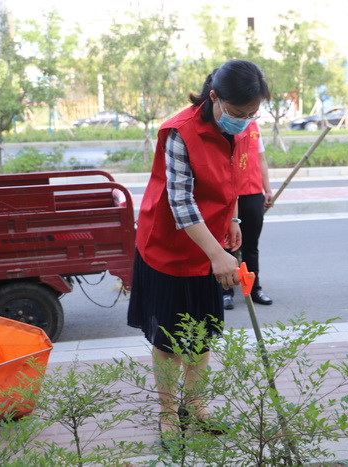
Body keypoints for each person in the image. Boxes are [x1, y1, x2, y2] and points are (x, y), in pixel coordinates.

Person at [127, 59, 270, 441]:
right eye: (240, 113)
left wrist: (234, 221)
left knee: (202, 335)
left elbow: (234, 177)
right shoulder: (180, 132)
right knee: (169, 341)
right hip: (169, 249)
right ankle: (168, 413)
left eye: (254, 113)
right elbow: (182, 204)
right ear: (214, 98)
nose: (246, 120)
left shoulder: (241, 127)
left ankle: (197, 406)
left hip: (211, 244)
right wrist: (218, 253)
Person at [222, 124, 274, 309]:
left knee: (251, 245)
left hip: (252, 193)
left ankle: (254, 288)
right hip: (228, 194)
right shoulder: (225, 124)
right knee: (227, 243)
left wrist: (267, 189)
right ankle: (225, 291)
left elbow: (261, 159)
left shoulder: (254, 126)